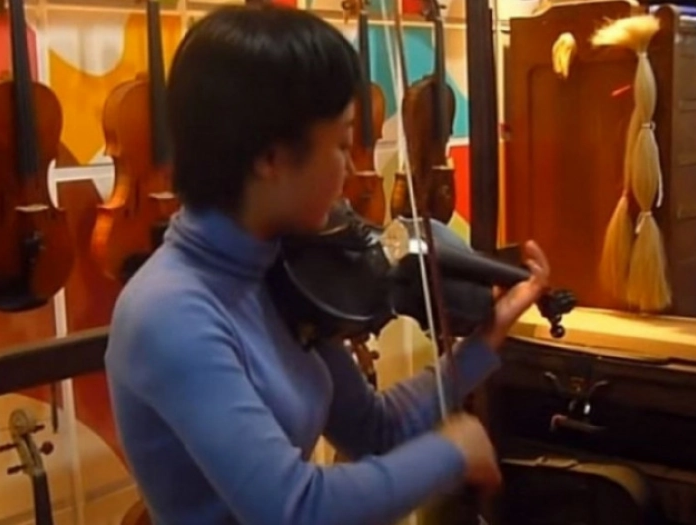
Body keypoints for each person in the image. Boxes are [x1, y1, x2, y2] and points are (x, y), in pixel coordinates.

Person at [104, 4, 551, 525]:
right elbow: (295, 509)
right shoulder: (171, 314)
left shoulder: (280, 269)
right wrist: (452, 453)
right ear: (271, 159)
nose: (349, 170)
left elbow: (374, 429)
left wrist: (484, 340)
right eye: (341, 143)